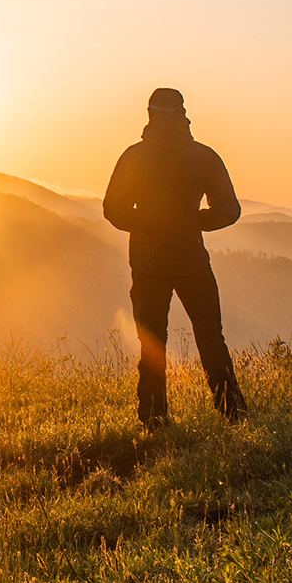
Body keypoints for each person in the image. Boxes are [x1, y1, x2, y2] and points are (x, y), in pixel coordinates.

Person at [102, 87, 248, 429]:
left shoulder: (134, 157)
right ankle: (233, 412)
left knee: (153, 340)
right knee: (211, 334)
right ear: (182, 113)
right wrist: (192, 220)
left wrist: (148, 223)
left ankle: (154, 417)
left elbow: (113, 210)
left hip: (148, 261)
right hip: (192, 259)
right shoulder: (204, 156)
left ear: (150, 114)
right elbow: (229, 211)